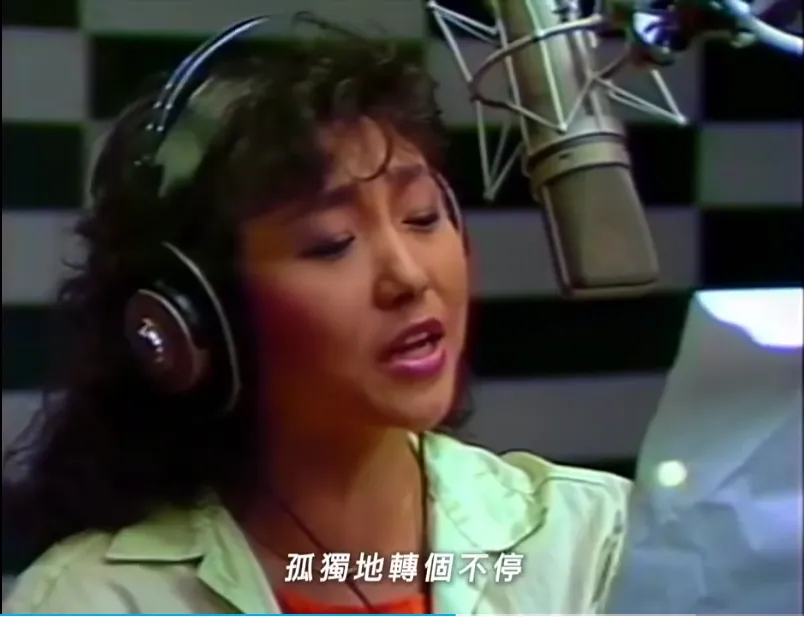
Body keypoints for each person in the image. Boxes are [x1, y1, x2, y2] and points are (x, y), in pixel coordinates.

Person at [2, 14, 630, 615]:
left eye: (421, 217)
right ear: (198, 314)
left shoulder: (592, 545)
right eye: (331, 243)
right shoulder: (94, 601)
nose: (409, 277)